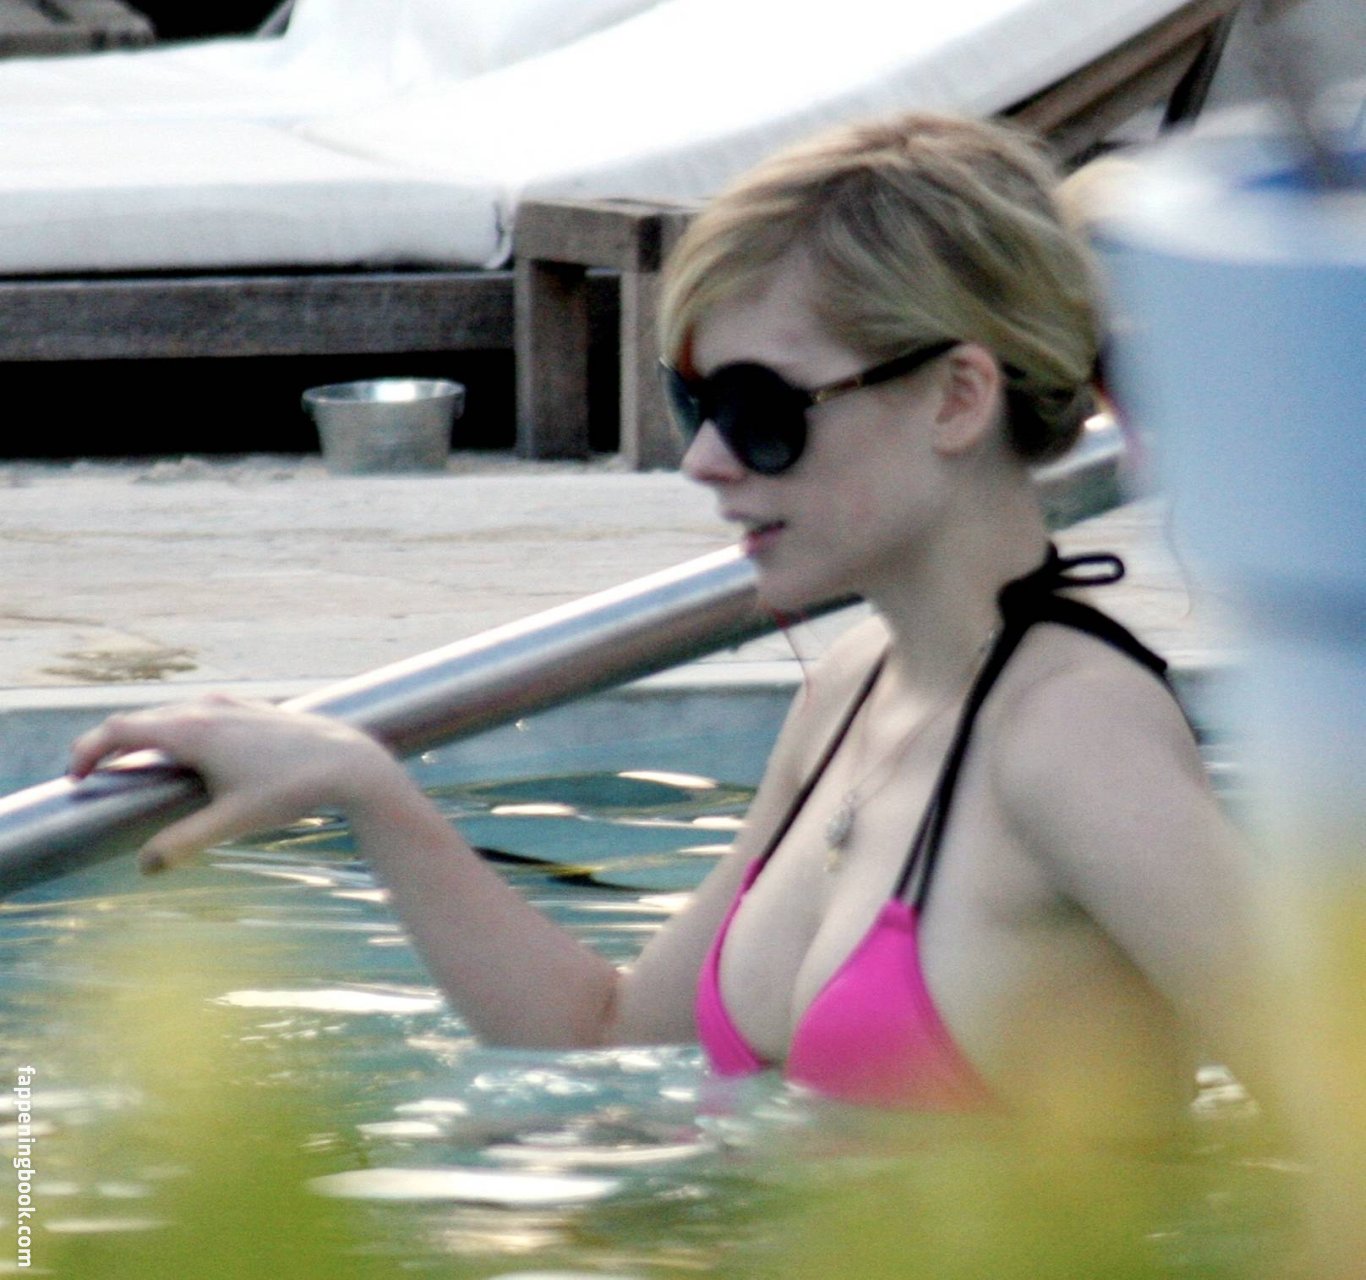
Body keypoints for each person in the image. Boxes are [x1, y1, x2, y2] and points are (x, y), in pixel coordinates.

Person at [68, 112, 1256, 1122]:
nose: (702, 459)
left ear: (955, 396)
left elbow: (1330, 1122)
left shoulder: (1072, 734)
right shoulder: (858, 687)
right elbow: (606, 1033)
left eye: (757, 408)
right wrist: (362, 783)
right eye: (693, 402)